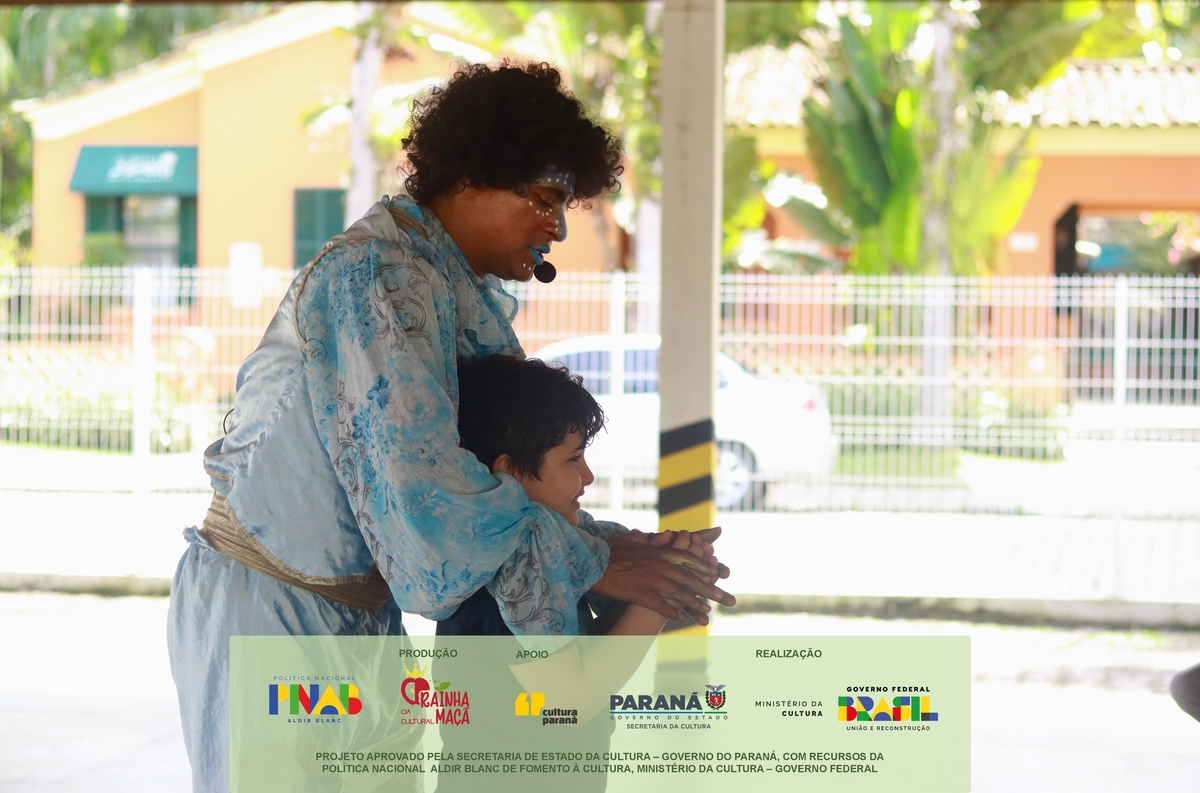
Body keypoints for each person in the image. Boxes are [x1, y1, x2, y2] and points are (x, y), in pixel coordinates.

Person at [167, 61, 733, 793]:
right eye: (544, 198)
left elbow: (503, 478)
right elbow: (430, 516)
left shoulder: (453, 290)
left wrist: (620, 548)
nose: (558, 226)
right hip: (277, 618)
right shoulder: (378, 279)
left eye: (565, 204)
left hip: (363, 624)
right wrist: (606, 563)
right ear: (470, 176)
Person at [439, 354, 720, 638]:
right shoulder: (512, 576)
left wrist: (658, 578)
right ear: (511, 471)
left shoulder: (548, 552)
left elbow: (586, 643)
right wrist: (661, 600)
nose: (588, 476)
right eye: (573, 459)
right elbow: (580, 669)